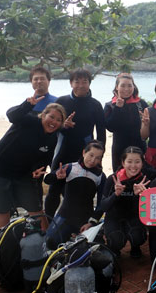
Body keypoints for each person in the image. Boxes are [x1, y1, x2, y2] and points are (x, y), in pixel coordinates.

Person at [0, 99, 66, 231]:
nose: (53, 122)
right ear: (43, 115)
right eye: (51, 117)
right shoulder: (29, 120)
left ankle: (44, 242)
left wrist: (42, 172)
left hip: (23, 173)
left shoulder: (52, 138)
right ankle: (3, 243)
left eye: (58, 120)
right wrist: (27, 104)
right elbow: (11, 115)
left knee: (36, 207)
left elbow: (44, 161)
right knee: (2, 208)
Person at [44, 68, 106, 219]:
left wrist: (98, 157)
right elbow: (50, 127)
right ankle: (48, 223)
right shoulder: (62, 102)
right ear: (71, 83)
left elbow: (101, 133)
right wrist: (63, 126)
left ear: (89, 84)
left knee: (81, 191)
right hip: (63, 151)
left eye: (84, 81)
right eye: (76, 81)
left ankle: (79, 222)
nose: (80, 85)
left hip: (84, 154)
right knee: (54, 189)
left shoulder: (95, 105)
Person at [44, 140, 106, 250]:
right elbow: (47, 180)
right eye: (91, 155)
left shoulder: (100, 176)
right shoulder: (70, 168)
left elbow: (102, 203)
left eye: (97, 158)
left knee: (96, 248)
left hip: (85, 220)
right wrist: (57, 177)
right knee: (49, 243)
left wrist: (91, 223)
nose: (93, 160)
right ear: (84, 153)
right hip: (65, 216)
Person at [101, 146, 150, 258]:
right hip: (114, 216)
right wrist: (116, 194)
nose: (133, 166)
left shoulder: (144, 182)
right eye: (129, 161)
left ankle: (135, 247)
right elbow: (103, 206)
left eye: (137, 162)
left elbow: (148, 211)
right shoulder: (113, 179)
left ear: (142, 163)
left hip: (133, 216)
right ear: (123, 162)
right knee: (116, 239)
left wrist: (140, 196)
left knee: (138, 236)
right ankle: (114, 249)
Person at [104, 73, 148, 171]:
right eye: (123, 85)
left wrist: (146, 123)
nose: (126, 89)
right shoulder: (110, 105)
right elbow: (110, 127)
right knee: (120, 179)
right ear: (117, 87)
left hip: (139, 147)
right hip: (120, 148)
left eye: (129, 85)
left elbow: (149, 127)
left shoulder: (141, 104)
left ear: (133, 86)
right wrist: (118, 108)